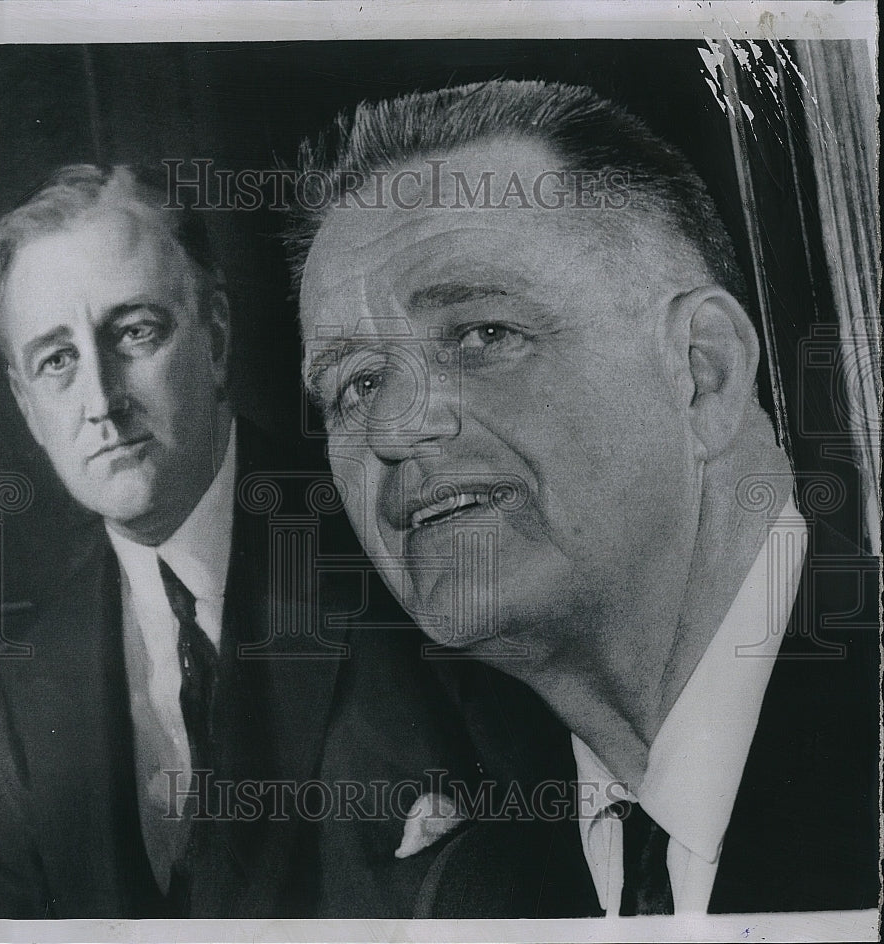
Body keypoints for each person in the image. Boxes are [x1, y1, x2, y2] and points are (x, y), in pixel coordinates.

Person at [288, 80, 879, 916]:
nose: (394, 429)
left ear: (701, 373)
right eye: (355, 384)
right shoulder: (472, 897)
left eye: (484, 335)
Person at [0, 163, 561, 918]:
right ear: (26, 405)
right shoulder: (26, 694)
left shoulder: (403, 533)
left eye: (134, 332)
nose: (101, 401)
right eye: (56, 361)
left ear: (216, 336)